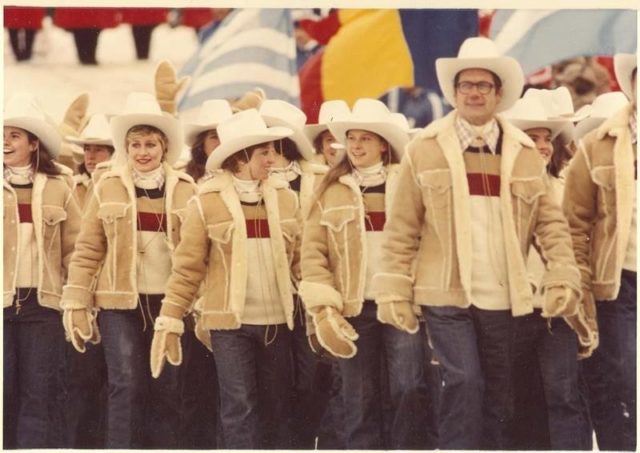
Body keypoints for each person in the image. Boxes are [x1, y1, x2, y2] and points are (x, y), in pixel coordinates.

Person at [372, 37, 582, 450]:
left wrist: (561, 273)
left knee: (499, 399)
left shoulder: (524, 152)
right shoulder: (424, 149)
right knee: (463, 382)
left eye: (483, 85)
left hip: (504, 296)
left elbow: (550, 224)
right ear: (453, 93)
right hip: (445, 293)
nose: (473, 92)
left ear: (498, 93)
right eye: (465, 85)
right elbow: (401, 228)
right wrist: (394, 288)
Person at [150, 108, 301, 449]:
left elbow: (302, 262)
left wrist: (323, 306)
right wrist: (170, 319)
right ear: (241, 157)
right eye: (264, 152)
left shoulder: (287, 199)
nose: (273, 159)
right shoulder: (206, 203)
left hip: (278, 322)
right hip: (228, 326)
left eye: (272, 151)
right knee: (239, 407)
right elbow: (187, 269)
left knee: (278, 408)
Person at [59, 92, 196, 449]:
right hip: (118, 304)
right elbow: (88, 249)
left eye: (150, 144)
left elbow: (197, 255)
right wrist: (76, 301)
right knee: (125, 383)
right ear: (126, 148)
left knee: (167, 385)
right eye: (135, 144)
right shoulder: (108, 185)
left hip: (169, 304)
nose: (142, 152)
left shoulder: (186, 189)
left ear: (164, 147)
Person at [299, 98, 429, 449]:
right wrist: (326, 308)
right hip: (353, 309)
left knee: (409, 388)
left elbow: (428, 241)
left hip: (400, 304)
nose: (355, 146)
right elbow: (313, 254)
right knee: (358, 399)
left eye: (365, 139)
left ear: (383, 145)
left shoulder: (409, 184)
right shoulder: (329, 189)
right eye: (352, 139)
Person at [505, 88, 594, 450]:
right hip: (514, 307)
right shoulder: (502, 192)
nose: (542, 146)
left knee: (563, 394)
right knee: (519, 398)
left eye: (546, 138)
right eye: (533, 137)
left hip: (560, 310)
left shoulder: (567, 186)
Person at [563, 53, 637, 452]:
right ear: (631, 86)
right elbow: (574, 221)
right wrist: (581, 280)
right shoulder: (597, 146)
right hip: (621, 279)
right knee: (623, 379)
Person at [4, 93, 81, 448]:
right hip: (1, 303)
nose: (5, 142)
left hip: (43, 305)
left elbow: (75, 249)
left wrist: (75, 300)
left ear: (34, 144)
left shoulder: (59, 186)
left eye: (15, 135)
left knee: (39, 393)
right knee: (3, 392)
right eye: (2, 135)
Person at [65, 113, 115, 208]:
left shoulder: (118, 186)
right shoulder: (73, 187)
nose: (91, 156)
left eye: (98, 150)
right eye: (87, 149)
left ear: (111, 154)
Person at [183, 99, 233, 182]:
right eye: (215, 137)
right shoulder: (186, 179)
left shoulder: (243, 176)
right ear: (202, 143)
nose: (221, 142)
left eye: (225, 135)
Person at [304, 99, 350, 167]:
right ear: (321, 146)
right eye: (329, 140)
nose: (336, 145)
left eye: (340, 138)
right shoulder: (311, 172)